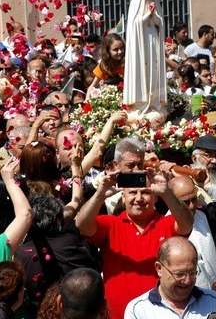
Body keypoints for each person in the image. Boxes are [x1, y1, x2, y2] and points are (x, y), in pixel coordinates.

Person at [75, 137, 193, 319]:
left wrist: (167, 192)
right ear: (123, 196)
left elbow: (186, 224)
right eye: (132, 192)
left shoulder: (166, 224)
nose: (139, 198)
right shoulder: (111, 224)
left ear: (155, 197)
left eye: (146, 193)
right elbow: (81, 224)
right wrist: (100, 194)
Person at [124, 237, 216, 319]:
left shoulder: (214, 301)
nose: (188, 280)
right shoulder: (138, 310)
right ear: (159, 268)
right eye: (180, 274)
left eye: (192, 272)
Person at [122, 0, 168, 120]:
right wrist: (147, 16)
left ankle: (154, 102)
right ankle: (140, 104)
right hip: (140, 44)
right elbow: (134, 25)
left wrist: (155, 17)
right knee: (141, 70)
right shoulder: (136, 2)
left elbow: (160, 24)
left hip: (152, 42)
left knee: (153, 71)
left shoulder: (156, 4)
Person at [168, 176, 216, 295]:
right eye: (185, 202)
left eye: (194, 199)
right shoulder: (166, 226)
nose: (192, 206)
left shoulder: (205, 216)